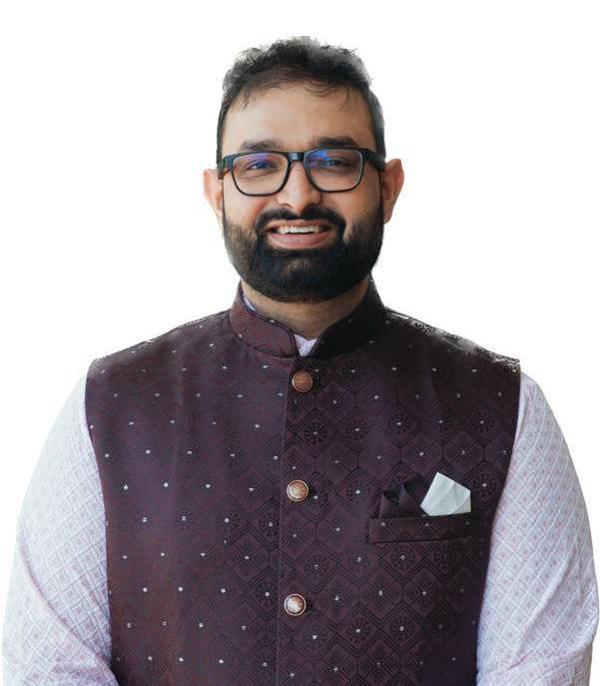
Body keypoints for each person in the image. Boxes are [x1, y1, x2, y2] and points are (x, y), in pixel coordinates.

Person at [2, 36, 598, 686]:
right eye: (259, 165)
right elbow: (47, 666)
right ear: (216, 192)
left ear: (389, 186)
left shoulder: (501, 407)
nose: (298, 196)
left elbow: (539, 669)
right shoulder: (110, 406)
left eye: (334, 162)